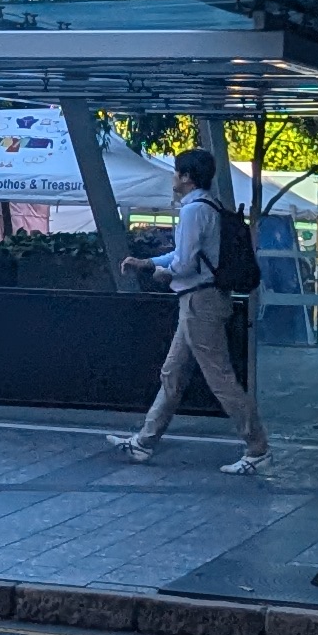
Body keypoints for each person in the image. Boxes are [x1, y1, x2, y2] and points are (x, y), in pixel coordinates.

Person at [113, 146, 268, 476]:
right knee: (173, 373)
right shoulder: (209, 206)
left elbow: (183, 263)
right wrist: (149, 262)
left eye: (176, 172)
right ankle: (144, 441)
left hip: (200, 303)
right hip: (201, 300)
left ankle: (257, 447)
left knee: (220, 378)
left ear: (186, 177)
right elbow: (186, 255)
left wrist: (160, 273)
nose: (173, 177)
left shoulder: (193, 211)